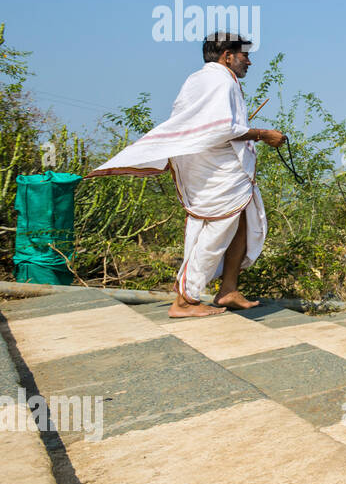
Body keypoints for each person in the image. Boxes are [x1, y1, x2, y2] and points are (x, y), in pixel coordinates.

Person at [88, 33, 284, 318]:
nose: (249, 62)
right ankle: (184, 300)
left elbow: (202, 125)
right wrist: (264, 134)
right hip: (215, 170)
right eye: (244, 55)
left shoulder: (198, 80)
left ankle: (228, 289)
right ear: (227, 56)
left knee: (241, 220)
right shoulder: (220, 81)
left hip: (204, 165)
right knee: (214, 232)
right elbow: (219, 130)